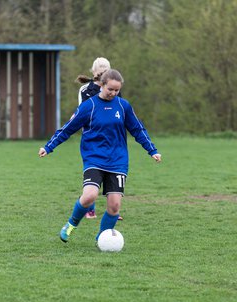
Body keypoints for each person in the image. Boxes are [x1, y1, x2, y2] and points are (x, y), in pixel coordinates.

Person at [38, 69, 161, 244]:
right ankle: (71, 224)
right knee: (89, 196)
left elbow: (138, 129)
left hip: (118, 161)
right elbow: (68, 128)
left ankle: (101, 239)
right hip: (94, 158)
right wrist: (49, 147)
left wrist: (152, 150)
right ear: (102, 85)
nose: (113, 93)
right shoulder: (89, 106)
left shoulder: (123, 106)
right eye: (110, 89)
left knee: (114, 206)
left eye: (117, 90)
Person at [75, 57, 123, 220]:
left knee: (112, 171)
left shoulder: (114, 87)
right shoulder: (85, 90)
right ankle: (89, 208)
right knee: (94, 172)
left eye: (106, 69)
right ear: (94, 72)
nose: (103, 71)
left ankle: (113, 209)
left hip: (111, 139)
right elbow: (83, 111)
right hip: (93, 138)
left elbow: (119, 107)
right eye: (100, 69)